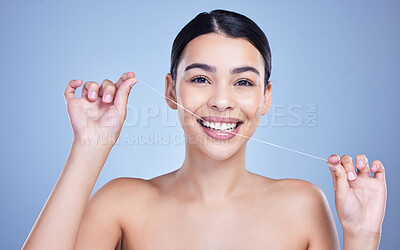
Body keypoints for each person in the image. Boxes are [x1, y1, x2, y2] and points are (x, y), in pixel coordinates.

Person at [23, 9, 387, 250]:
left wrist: (361, 236)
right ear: (170, 90)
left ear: (266, 97)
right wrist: (89, 147)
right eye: (200, 78)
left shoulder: (303, 205)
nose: (222, 101)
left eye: (243, 82)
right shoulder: (123, 204)